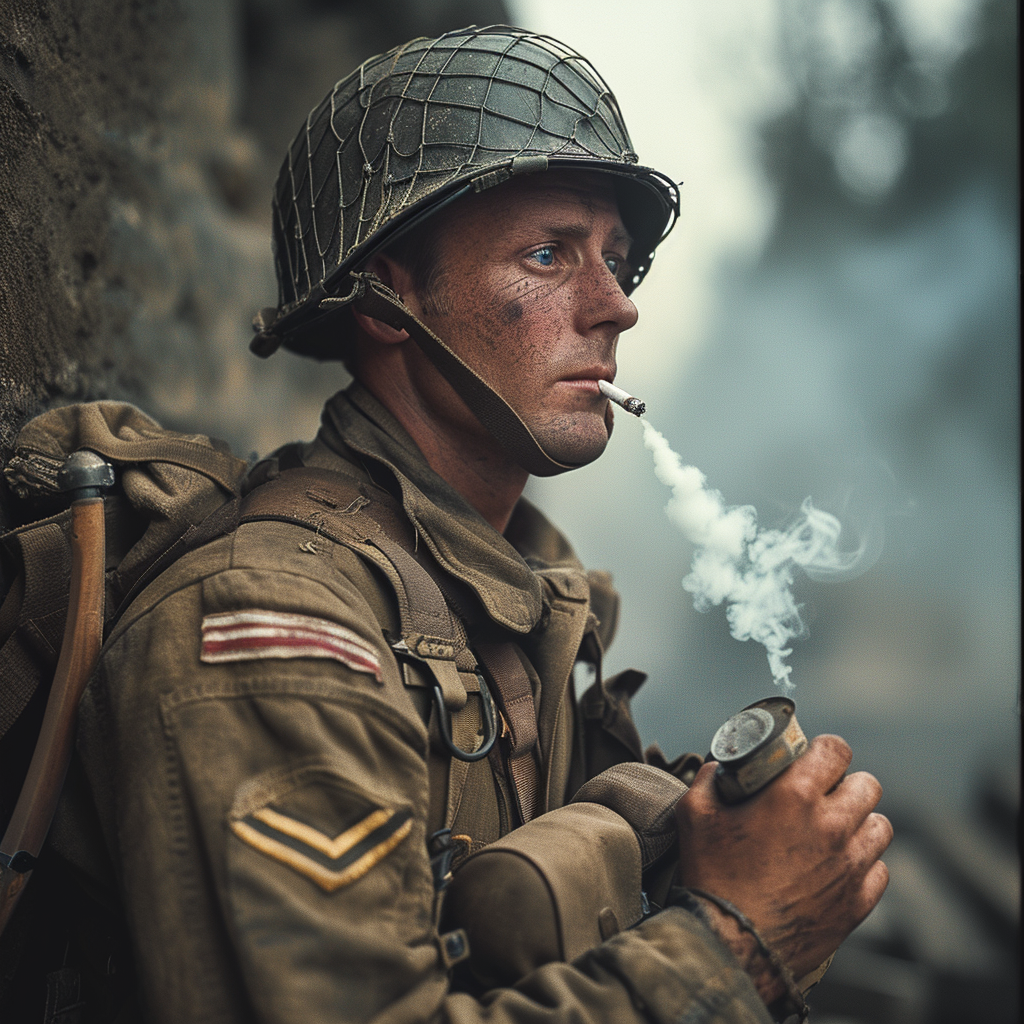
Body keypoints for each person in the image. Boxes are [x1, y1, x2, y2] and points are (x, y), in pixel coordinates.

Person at [77, 25, 892, 1024]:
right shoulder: (271, 624)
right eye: (549, 254)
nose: (615, 308)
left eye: (617, 260)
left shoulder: (511, 595)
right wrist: (735, 947)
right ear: (387, 304)